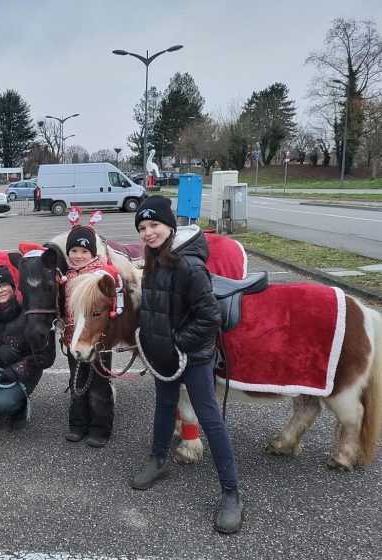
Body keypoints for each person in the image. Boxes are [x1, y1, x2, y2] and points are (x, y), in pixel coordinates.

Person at [130, 195, 243, 534]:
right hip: (163, 354)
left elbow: (209, 318)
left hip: (191, 356)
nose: (149, 232)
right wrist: (149, 339)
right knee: (164, 406)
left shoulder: (189, 265)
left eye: (154, 225)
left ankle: (231, 491)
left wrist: (178, 343)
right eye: (143, 227)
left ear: (170, 226)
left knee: (208, 417)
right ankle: (158, 459)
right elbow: (157, 309)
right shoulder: (151, 261)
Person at [0, 266, 55, 433]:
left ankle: (18, 407)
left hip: (22, 374)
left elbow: (43, 353)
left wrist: (16, 370)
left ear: (13, 286)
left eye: (3, 285)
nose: (0, 290)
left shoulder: (30, 313)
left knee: (3, 403)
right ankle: (0, 399)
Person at [62, 225, 115, 447]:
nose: (78, 256)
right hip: (73, 339)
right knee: (77, 383)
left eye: (84, 251)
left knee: (99, 387)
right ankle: (77, 425)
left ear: (93, 253)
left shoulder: (101, 274)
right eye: (73, 250)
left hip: (97, 341)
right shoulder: (68, 275)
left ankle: (100, 428)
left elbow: (113, 293)